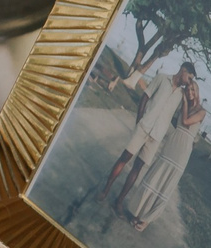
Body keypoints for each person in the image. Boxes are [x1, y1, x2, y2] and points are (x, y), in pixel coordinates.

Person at [75, 59, 193, 224]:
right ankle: (105, 190)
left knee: (137, 168)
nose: (189, 81)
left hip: (155, 137)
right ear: (183, 70)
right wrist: (139, 120)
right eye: (189, 76)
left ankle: (119, 202)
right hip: (144, 127)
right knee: (124, 158)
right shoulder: (162, 78)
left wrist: (188, 96)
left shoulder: (181, 96)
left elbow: (181, 119)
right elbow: (145, 97)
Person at [125, 78, 209, 233]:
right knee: (155, 178)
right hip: (171, 145)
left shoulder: (202, 111)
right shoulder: (183, 107)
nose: (190, 93)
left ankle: (146, 220)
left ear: (197, 92)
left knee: (165, 185)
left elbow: (186, 121)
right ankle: (138, 213)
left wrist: (184, 101)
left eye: (192, 90)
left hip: (182, 151)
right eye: (188, 90)